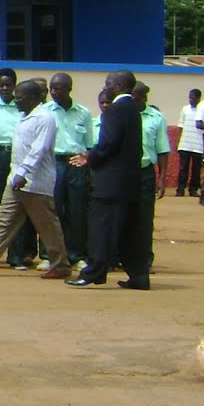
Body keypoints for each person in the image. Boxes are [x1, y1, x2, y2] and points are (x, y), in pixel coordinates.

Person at [0, 79, 70, 279]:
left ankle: (60, 264)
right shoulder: (23, 116)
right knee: (3, 220)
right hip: (16, 179)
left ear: (32, 98)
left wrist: (23, 173)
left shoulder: (45, 118)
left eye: (19, 98)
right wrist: (16, 174)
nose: (16, 101)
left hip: (35, 182)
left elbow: (40, 149)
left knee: (47, 224)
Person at [68, 70, 148, 289]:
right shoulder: (134, 108)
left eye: (109, 83)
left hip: (111, 183)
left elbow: (108, 143)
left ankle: (93, 272)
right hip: (130, 181)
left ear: (120, 85)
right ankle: (139, 275)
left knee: (101, 229)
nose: (106, 86)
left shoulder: (114, 110)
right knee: (129, 231)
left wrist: (89, 158)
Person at [41, 72, 93, 268]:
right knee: (52, 210)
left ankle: (76, 255)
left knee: (77, 211)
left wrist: (85, 160)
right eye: (52, 88)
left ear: (69, 89)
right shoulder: (45, 111)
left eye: (58, 88)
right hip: (53, 163)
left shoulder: (83, 113)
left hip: (75, 163)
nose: (54, 92)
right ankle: (49, 255)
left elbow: (88, 143)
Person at [0, 68, 27, 266]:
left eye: (9, 85)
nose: (5, 88)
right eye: (2, 85)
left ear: (15, 86)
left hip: (18, 157)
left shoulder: (24, 109)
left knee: (17, 207)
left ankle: (16, 256)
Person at [135, 83, 170, 263]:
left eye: (137, 96)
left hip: (145, 172)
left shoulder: (156, 118)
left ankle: (145, 258)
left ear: (144, 98)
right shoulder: (121, 115)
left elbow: (162, 150)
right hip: (123, 173)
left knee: (145, 217)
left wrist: (162, 179)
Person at [175, 88, 204, 197]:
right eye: (189, 97)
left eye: (193, 98)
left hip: (198, 145)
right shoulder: (185, 109)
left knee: (196, 169)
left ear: (198, 98)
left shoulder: (202, 110)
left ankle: (193, 189)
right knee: (183, 168)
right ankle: (180, 189)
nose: (191, 100)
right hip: (185, 143)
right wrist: (178, 142)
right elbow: (181, 126)